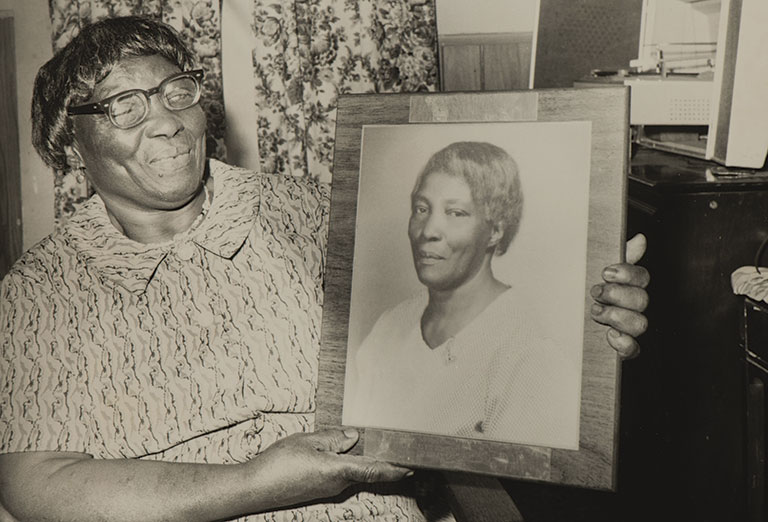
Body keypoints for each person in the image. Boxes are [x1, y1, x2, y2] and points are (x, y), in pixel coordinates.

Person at [0, 15, 649, 522]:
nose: (167, 122)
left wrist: (581, 322)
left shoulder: (311, 211)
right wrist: (255, 482)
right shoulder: (39, 292)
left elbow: (451, 341)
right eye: (124, 106)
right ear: (69, 142)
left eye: (177, 93)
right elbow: (39, 483)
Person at [343, 142, 583, 448]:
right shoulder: (389, 327)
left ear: (495, 231)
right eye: (421, 209)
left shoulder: (530, 354)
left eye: (456, 213)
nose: (428, 230)